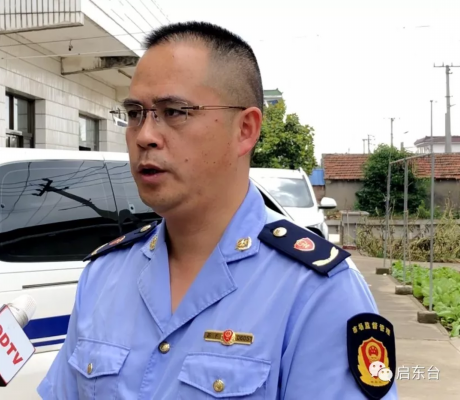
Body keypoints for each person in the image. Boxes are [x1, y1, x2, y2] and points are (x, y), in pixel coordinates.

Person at [38, 21, 398, 400]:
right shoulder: (103, 276)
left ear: (245, 130)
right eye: (135, 113)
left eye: (174, 111)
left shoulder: (317, 292)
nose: (144, 135)